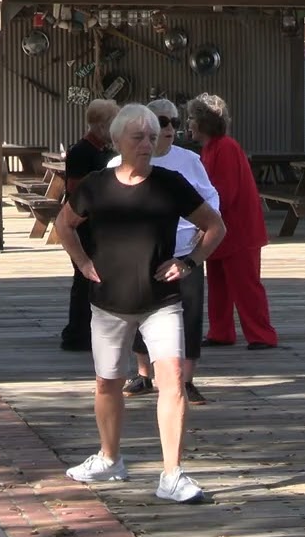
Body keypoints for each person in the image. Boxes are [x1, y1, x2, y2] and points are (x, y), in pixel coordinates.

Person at [55, 103, 227, 503]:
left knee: (172, 382)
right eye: (139, 137)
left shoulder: (170, 183)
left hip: (161, 302)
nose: (148, 144)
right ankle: (109, 459)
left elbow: (215, 225)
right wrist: (82, 262)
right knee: (107, 382)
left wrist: (189, 262)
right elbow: (64, 224)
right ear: (118, 142)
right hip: (108, 303)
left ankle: (172, 475)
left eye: (153, 136)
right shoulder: (96, 185)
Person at [107, 99, 220, 405]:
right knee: (138, 313)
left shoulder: (189, 161)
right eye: (163, 122)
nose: (170, 128)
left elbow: (211, 196)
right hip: (140, 254)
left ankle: (187, 379)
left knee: (191, 314)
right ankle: (143, 373)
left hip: (186, 250)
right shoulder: (115, 166)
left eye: (174, 122)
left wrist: (203, 232)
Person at [185, 94, 278, 350]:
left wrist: (199, 218)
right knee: (218, 283)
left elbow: (224, 192)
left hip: (238, 229)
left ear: (204, 122)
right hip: (220, 229)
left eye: (192, 118)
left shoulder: (225, 147)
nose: (188, 123)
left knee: (245, 284)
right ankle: (221, 331)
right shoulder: (210, 148)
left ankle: (262, 334)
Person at [60, 99, 120, 352]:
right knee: (84, 277)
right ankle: (77, 334)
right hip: (83, 223)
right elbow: (76, 191)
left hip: (100, 224)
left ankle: (92, 330)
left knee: (96, 278)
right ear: (98, 125)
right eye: (111, 125)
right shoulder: (81, 151)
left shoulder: (102, 150)